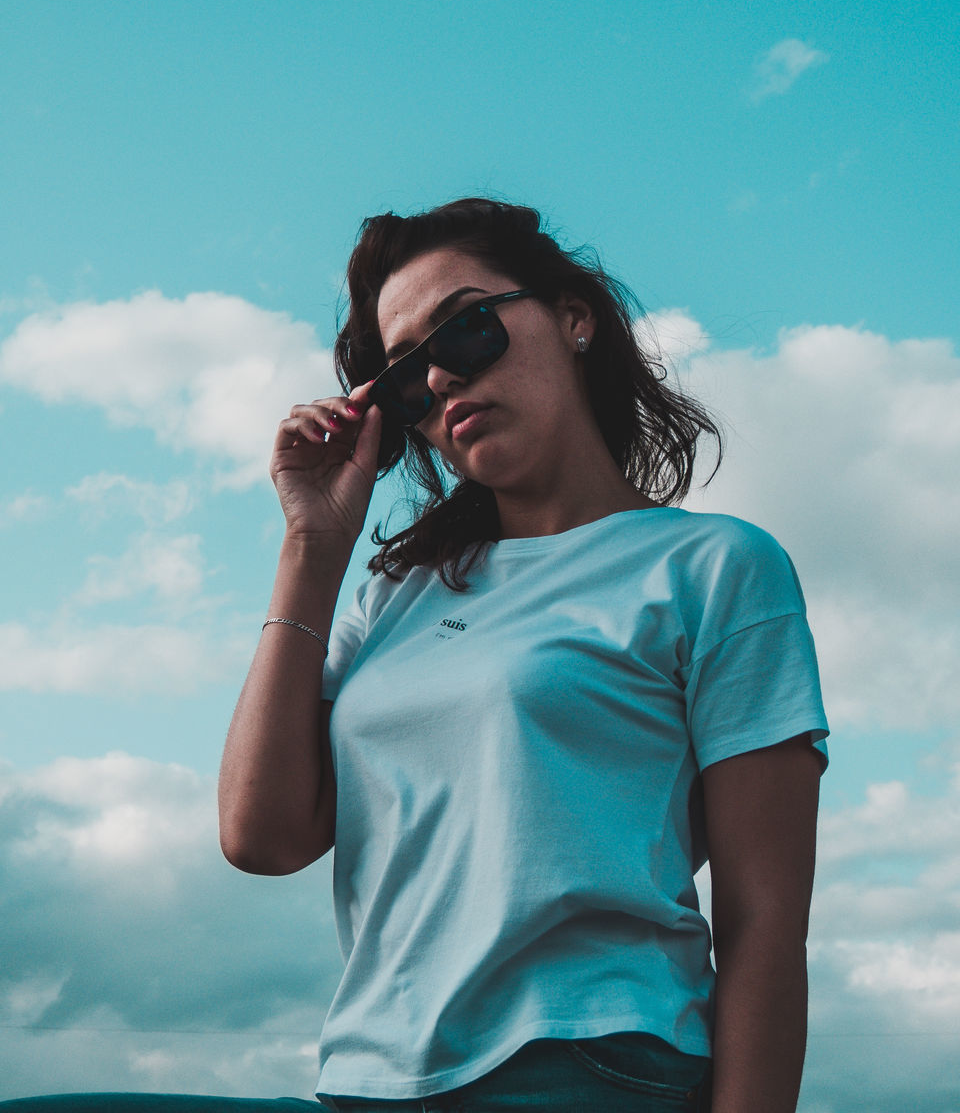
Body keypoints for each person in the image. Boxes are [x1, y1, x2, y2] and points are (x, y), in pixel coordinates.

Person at [3, 199, 828, 1113]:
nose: (439, 379)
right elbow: (261, 834)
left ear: (574, 316)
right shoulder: (389, 599)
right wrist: (313, 549)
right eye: (404, 381)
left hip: (587, 1070)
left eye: (467, 329)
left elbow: (763, 921)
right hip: (369, 1078)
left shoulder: (715, 567)